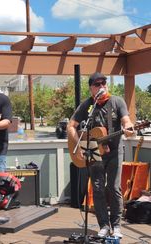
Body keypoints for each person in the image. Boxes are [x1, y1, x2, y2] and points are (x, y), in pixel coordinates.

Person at [67, 72, 135, 238]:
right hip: (94, 149)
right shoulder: (88, 105)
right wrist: (79, 147)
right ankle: (104, 225)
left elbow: (126, 120)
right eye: (97, 84)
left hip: (115, 151)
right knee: (97, 188)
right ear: (91, 88)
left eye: (103, 83)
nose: (101, 87)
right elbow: (71, 125)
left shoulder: (117, 101)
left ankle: (116, 225)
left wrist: (129, 128)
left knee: (114, 187)